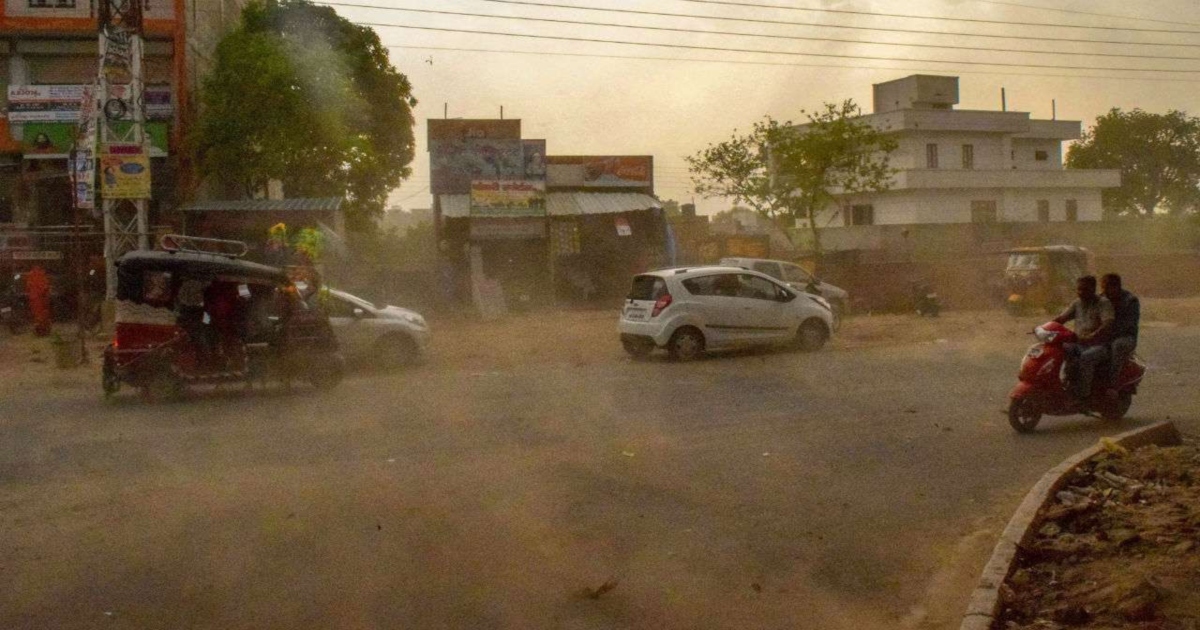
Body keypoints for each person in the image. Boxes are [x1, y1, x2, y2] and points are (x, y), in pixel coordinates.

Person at [1052, 275, 1113, 400]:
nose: (1080, 293)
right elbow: (1062, 318)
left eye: (1084, 289)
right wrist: (1046, 327)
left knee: (1086, 358)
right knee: (1057, 349)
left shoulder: (1103, 303)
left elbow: (1108, 323)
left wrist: (1094, 335)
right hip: (1079, 343)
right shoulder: (1077, 303)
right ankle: (1064, 382)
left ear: (1093, 289)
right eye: (1079, 289)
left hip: (1100, 345)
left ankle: (1082, 394)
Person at [1098, 273, 1140, 396]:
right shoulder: (1100, 299)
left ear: (1116, 287)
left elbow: (1128, 324)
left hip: (1126, 337)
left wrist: (1105, 334)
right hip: (1103, 335)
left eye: (1107, 288)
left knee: (1117, 345)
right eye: (1103, 288)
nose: (1104, 291)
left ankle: (1113, 383)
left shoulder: (1130, 301)